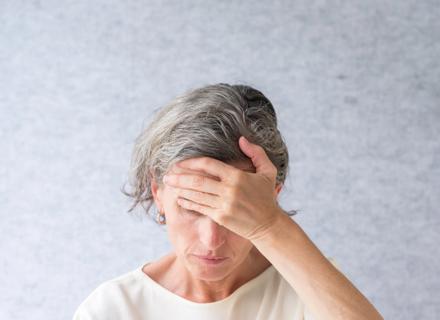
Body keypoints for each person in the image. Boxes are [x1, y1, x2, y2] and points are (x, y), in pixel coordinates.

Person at [72, 83, 383, 319]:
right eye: (192, 206)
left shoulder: (307, 285)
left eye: (236, 210)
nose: (212, 240)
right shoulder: (114, 309)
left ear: (270, 196)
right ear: (158, 192)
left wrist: (271, 225)